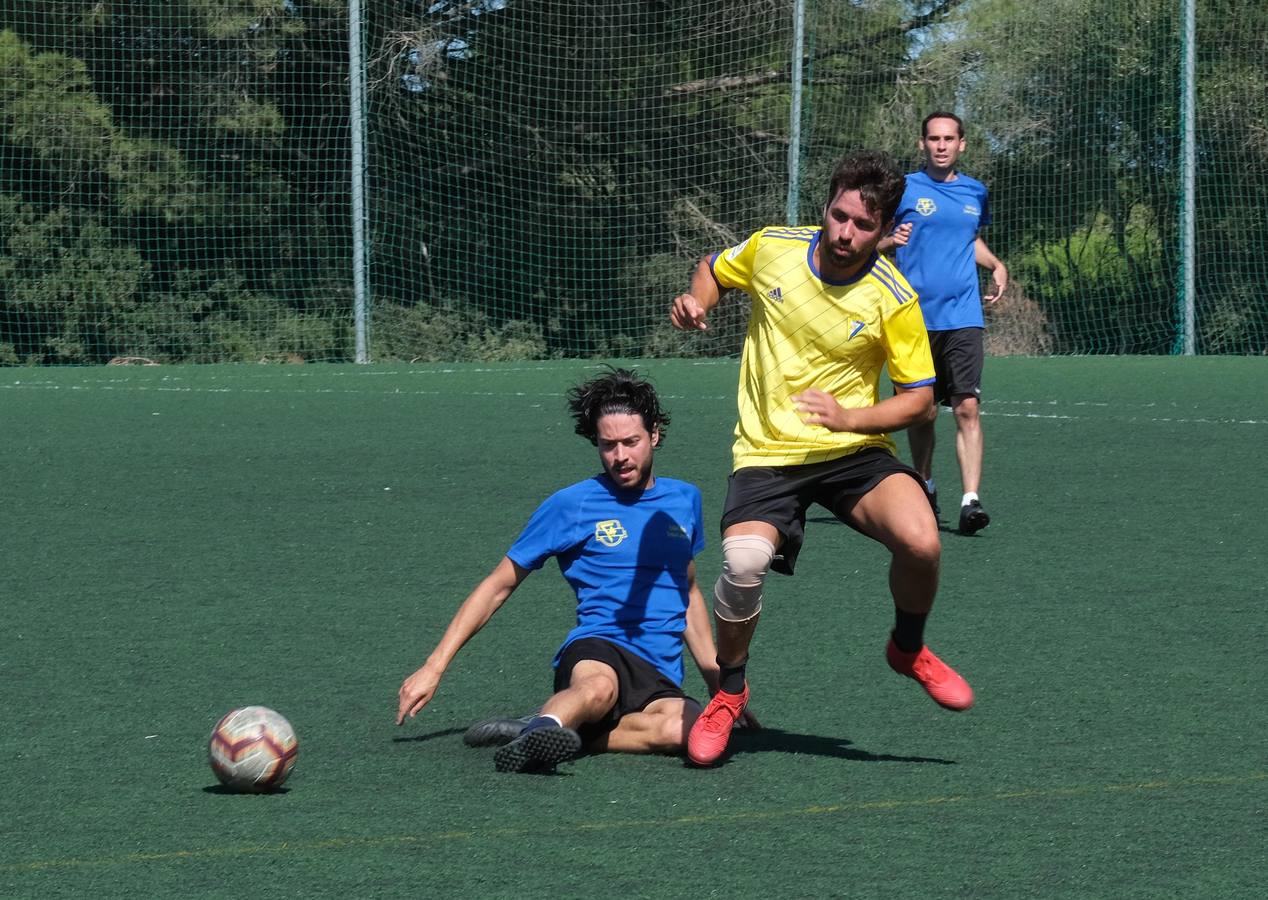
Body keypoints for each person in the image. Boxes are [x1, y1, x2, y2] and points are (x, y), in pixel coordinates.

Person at [669, 149, 974, 767]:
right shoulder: (772, 246)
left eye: (864, 225)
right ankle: (729, 691)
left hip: (852, 450)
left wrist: (851, 418)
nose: (845, 233)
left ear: (885, 229)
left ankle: (907, 648)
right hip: (767, 451)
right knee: (744, 562)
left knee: (923, 541)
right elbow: (713, 268)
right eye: (839, 216)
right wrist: (697, 301)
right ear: (826, 207)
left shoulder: (894, 295)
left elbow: (919, 402)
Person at [395, 368, 753, 774]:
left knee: (684, 732)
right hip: (598, 648)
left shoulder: (685, 499)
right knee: (597, 690)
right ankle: (548, 727)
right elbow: (499, 584)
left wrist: (719, 689)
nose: (620, 456)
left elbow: (686, 592)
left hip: (658, 669)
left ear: (654, 435)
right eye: (608, 445)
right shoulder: (572, 504)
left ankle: (553, 731)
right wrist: (434, 666)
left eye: (631, 442)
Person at [879, 111, 1008, 535]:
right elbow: (870, 239)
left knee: (967, 407)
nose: (941, 145)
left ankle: (971, 500)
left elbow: (969, 239)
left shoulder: (975, 192)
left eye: (949, 138)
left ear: (962, 144)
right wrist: (887, 241)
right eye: (933, 138)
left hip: (964, 316)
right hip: (912, 317)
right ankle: (924, 484)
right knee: (923, 413)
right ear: (922, 144)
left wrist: (995, 264)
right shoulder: (904, 190)